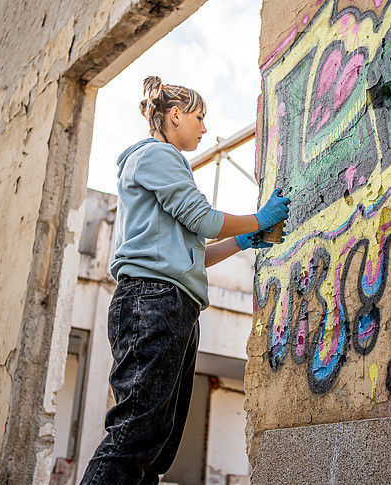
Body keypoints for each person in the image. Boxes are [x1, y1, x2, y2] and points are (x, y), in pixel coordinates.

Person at [79, 76, 290, 485]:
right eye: (199, 117)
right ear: (174, 116)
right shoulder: (159, 156)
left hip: (167, 302)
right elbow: (204, 219)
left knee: (156, 444)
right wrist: (261, 218)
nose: (204, 128)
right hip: (153, 302)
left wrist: (241, 241)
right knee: (135, 435)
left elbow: (193, 255)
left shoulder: (161, 163)